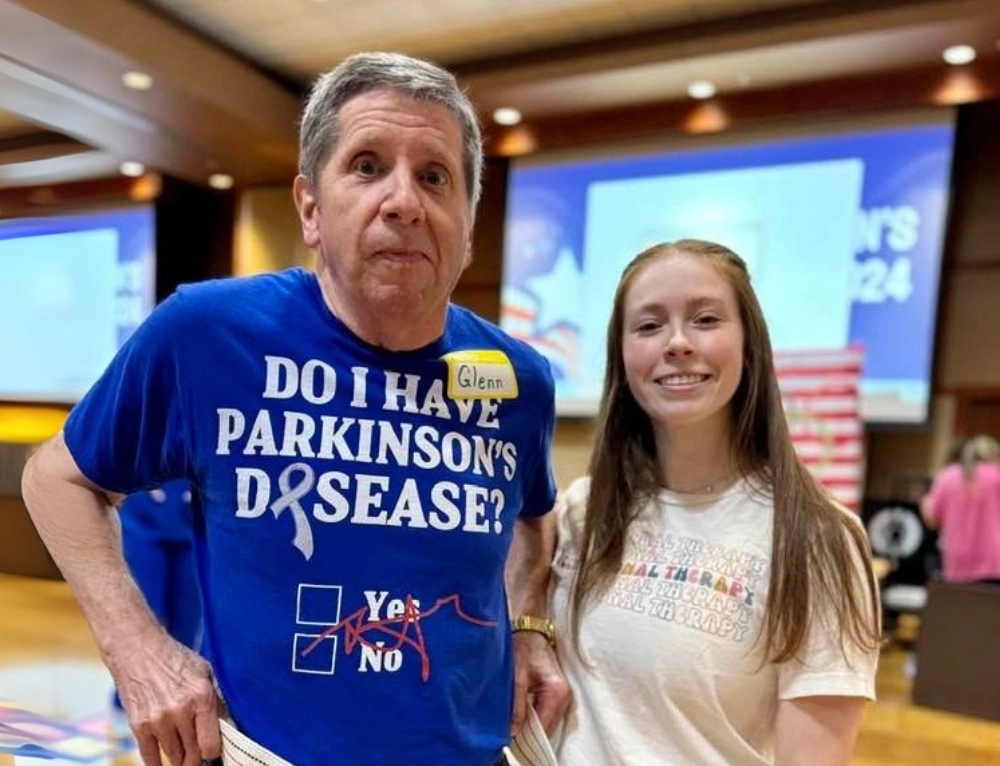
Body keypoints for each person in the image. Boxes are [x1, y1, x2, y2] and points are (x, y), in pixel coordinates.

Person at [21, 51, 568, 766]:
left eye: (435, 176)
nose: (404, 201)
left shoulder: (518, 378)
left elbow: (534, 514)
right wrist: (138, 651)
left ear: (467, 222)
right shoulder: (208, 334)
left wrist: (528, 627)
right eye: (368, 166)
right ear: (311, 207)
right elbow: (56, 479)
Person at [547, 239, 881, 765]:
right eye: (649, 325)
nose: (677, 342)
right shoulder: (581, 511)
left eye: (705, 319)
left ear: (749, 343)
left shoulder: (817, 539)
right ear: (622, 356)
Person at [111, 480, 203, 725]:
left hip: (193, 517)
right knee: (146, 614)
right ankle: (128, 702)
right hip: (143, 514)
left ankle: (175, 700)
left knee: (188, 620)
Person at [921, 434, 1000, 583]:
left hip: (957, 563)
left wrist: (924, 502)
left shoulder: (947, 477)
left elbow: (932, 520)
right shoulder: (997, 475)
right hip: (995, 563)